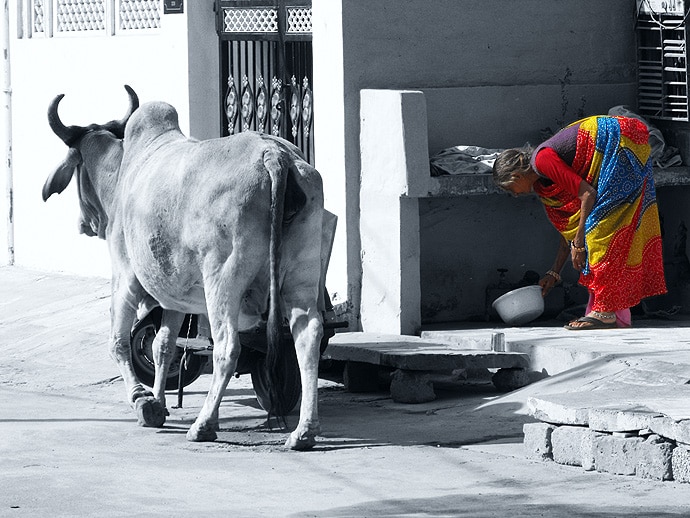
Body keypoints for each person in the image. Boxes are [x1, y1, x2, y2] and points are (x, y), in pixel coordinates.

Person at [492, 115, 667, 330]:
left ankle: (605, 312)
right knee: (592, 229)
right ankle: (611, 312)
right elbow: (571, 227)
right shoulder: (542, 185)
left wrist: (580, 244)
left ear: (516, 176)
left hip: (621, 141)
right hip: (615, 146)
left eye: (511, 190)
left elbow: (587, 195)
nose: (516, 195)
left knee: (599, 231)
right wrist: (554, 272)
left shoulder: (541, 162)